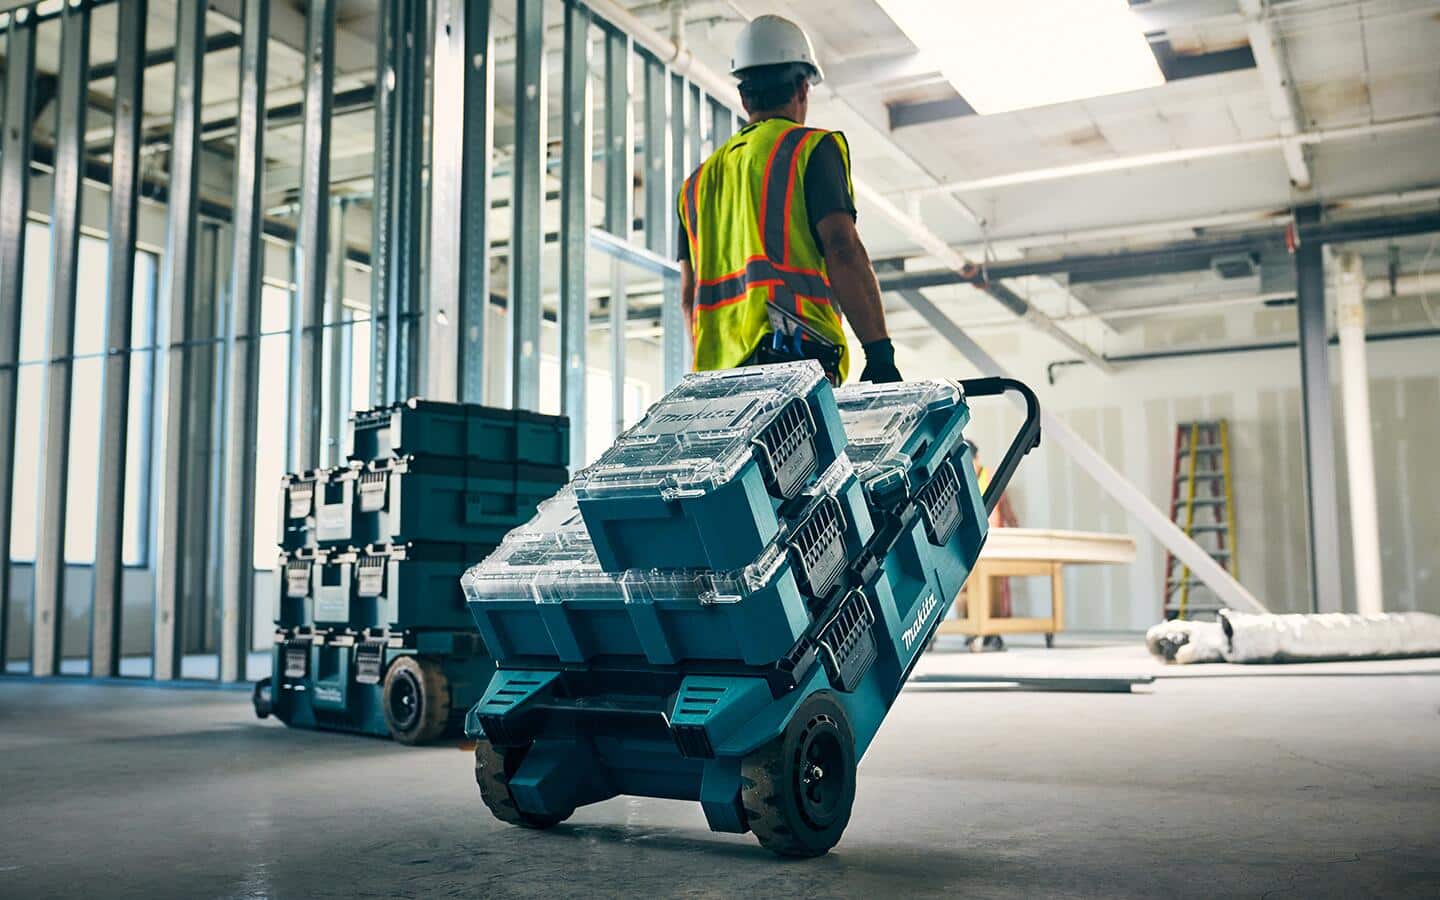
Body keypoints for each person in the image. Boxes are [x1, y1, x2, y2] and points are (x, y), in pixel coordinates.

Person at [676, 14, 900, 386]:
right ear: (801, 88)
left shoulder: (695, 184)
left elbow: (688, 297)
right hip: (795, 359)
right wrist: (879, 353)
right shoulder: (810, 149)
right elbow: (842, 248)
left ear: (744, 96)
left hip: (719, 381)